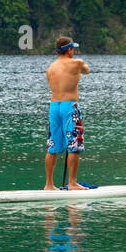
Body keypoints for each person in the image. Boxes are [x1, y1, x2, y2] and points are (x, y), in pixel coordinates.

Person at [44, 36, 90, 191]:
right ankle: (72, 183)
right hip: (69, 106)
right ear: (69, 50)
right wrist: (80, 65)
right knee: (74, 145)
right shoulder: (76, 63)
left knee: (52, 146)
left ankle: (49, 185)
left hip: (53, 107)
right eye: (73, 49)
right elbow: (87, 71)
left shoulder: (50, 68)